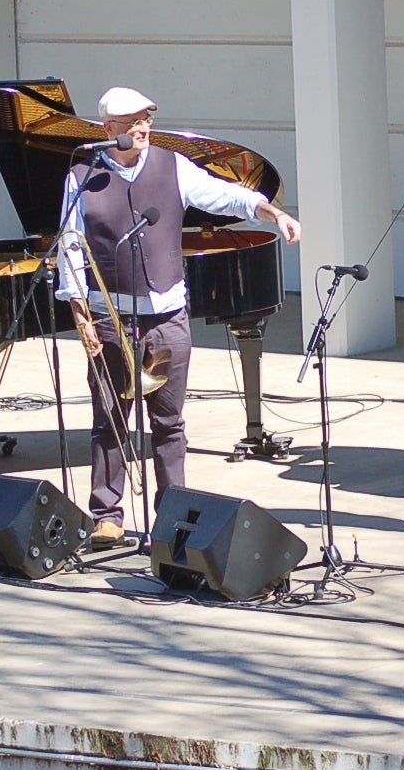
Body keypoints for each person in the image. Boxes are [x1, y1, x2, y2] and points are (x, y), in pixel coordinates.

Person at [55, 87, 302, 550]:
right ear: (108, 130)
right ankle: (106, 514)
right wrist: (81, 316)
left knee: (168, 422)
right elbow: (70, 245)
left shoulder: (172, 165)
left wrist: (272, 213)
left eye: (146, 117)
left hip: (165, 320)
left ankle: (171, 512)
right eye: (130, 122)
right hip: (111, 320)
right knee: (110, 417)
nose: (142, 127)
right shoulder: (83, 176)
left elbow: (225, 196)